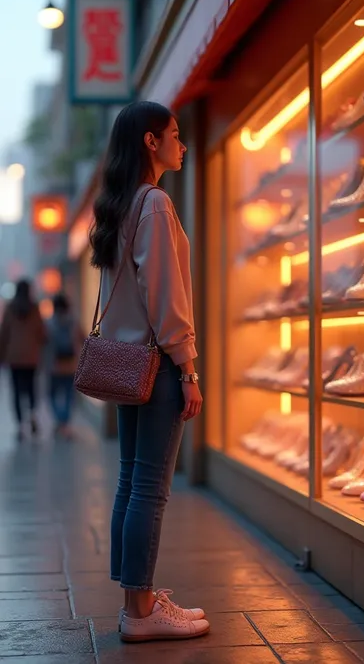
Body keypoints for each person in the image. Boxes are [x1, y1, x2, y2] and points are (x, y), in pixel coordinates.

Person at [89, 101, 208, 643]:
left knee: (131, 483)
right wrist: (187, 367)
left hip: (127, 363)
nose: (182, 144)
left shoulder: (116, 205)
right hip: (156, 366)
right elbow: (165, 296)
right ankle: (141, 613)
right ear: (150, 142)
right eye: (175, 135)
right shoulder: (155, 203)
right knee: (149, 490)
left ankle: (136, 599)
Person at [0, 279, 46, 440]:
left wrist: (2, 354)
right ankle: (32, 414)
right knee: (31, 387)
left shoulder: (10, 308)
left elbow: (4, 333)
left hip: (14, 357)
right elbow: (41, 332)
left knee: (17, 390)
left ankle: (20, 425)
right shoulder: (34, 308)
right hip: (31, 356)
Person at [47, 292, 82, 437]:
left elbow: (43, 344)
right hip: (70, 365)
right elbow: (83, 337)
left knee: (51, 395)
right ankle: (64, 422)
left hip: (53, 365)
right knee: (69, 395)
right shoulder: (73, 321)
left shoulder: (49, 323)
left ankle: (60, 420)